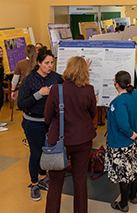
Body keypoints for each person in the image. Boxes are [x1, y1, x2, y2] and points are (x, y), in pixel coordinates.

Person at [44, 56, 97, 213]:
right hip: (83, 140)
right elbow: (92, 114)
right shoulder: (89, 90)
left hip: (60, 140)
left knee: (55, 182)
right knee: (80, 180)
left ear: (68, 69)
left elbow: (47, 118)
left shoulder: (56, 90)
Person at [17, 48, 64, 201]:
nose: (50, 66)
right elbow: (21, 103)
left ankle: (43, 178)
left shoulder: (55, 77)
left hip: (49, 123)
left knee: (46, 151)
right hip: (32, 123)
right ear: (38, 63)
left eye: (52, 63)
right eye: (46, 63)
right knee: (35, 154)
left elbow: (68, 82)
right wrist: (39, 94)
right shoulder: (29, 80)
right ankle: (35, 184)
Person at [105, 71, 137, 212]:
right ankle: (133, 196)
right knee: (135, 168)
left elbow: (123, 127)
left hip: (121, 144)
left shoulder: (117, 103)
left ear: (116, 84)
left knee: (123, 175)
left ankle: (123, 204)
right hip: (135, 142)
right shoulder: (136, 93)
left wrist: (136, 136)